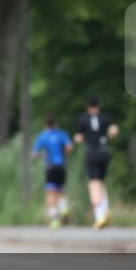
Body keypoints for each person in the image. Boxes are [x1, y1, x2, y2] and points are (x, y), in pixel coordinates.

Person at [74, 96, 118, 229]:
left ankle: (99, 216)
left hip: (92, 153)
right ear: (99, 106)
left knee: (94, 183)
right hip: (105, 153)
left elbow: (79, 137)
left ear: (88, 107)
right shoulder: (105, 117)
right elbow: (114, 130)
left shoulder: (83, 119)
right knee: (101, 181)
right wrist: (110, 135)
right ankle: (105, 210)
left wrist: (78, 138)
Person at [33, 114, 74, 229]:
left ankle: (54, 219)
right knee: (60, 190)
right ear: (55, 123)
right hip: (61, 165)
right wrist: (63, 153)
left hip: (50, 166)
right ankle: (64, 207)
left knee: (51, 192)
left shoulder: (43, 136)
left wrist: (43, 154)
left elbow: (35, 153)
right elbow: (70, 147)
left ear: (45, 125)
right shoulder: (61, 134)